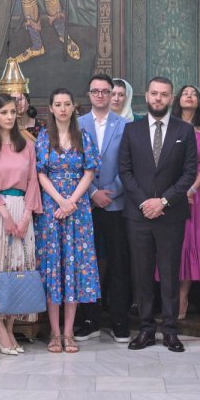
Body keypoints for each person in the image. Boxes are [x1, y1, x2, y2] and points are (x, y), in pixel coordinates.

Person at [118, 77, 198, 354]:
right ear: (146, 95)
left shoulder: (184, 130)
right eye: (154, 94)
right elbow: (125, 172)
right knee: (141, 274)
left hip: (171, 214)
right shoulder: (132, 130)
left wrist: (163, 201)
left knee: (169, 273)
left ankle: (171, 331)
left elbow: (189, 173)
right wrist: (145, 203)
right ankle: (146, 329)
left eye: (164, 95)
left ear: (171, 97)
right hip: (139, 215)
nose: (158, 99)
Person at [0, 94, 43, 356]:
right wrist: (6, 216)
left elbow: (33, 181)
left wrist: (26, 217)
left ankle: (11, 325)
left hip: (23, 210)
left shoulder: (26, 145)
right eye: (3, 112)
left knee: (18, 266)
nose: (8, 117)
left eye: (12, 112)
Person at [35, 89, 100, 353]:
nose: (62, 109)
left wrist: (71, 201)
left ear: (74, 107)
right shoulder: (43, 137)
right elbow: (40, 174)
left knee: (74, 268)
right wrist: (60, 201)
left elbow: (90, 171)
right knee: (54, 269)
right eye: (58, 104)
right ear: (50, 108)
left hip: (79, 208)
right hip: (52, 208)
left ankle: (70, 332)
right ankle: (54, 332)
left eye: (67, 104)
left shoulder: (83, 136)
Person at [76, 73, 131, 343]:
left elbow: (129, 164)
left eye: (105, 91)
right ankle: (89, 320)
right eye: (95, 91)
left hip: (116, 203)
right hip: (84, 203)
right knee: (88, 263)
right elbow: (73, 165)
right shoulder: (77, 124)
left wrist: (111, 191)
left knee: (119, 263)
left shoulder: (126, 125)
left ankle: (120, 321)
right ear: (89, 95)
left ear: (112, 95)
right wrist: (93, 192)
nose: (100, 95)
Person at [167, 84, 200, 320]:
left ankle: (183, 295)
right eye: (185, 93)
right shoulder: (168, 128)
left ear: (199, 102)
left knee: (189, 241)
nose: (189, 96)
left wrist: (191, 188)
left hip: (194, 195)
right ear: (177, 99)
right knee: (170, 244)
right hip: (169, 192)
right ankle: (169, 295)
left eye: (194, 94)